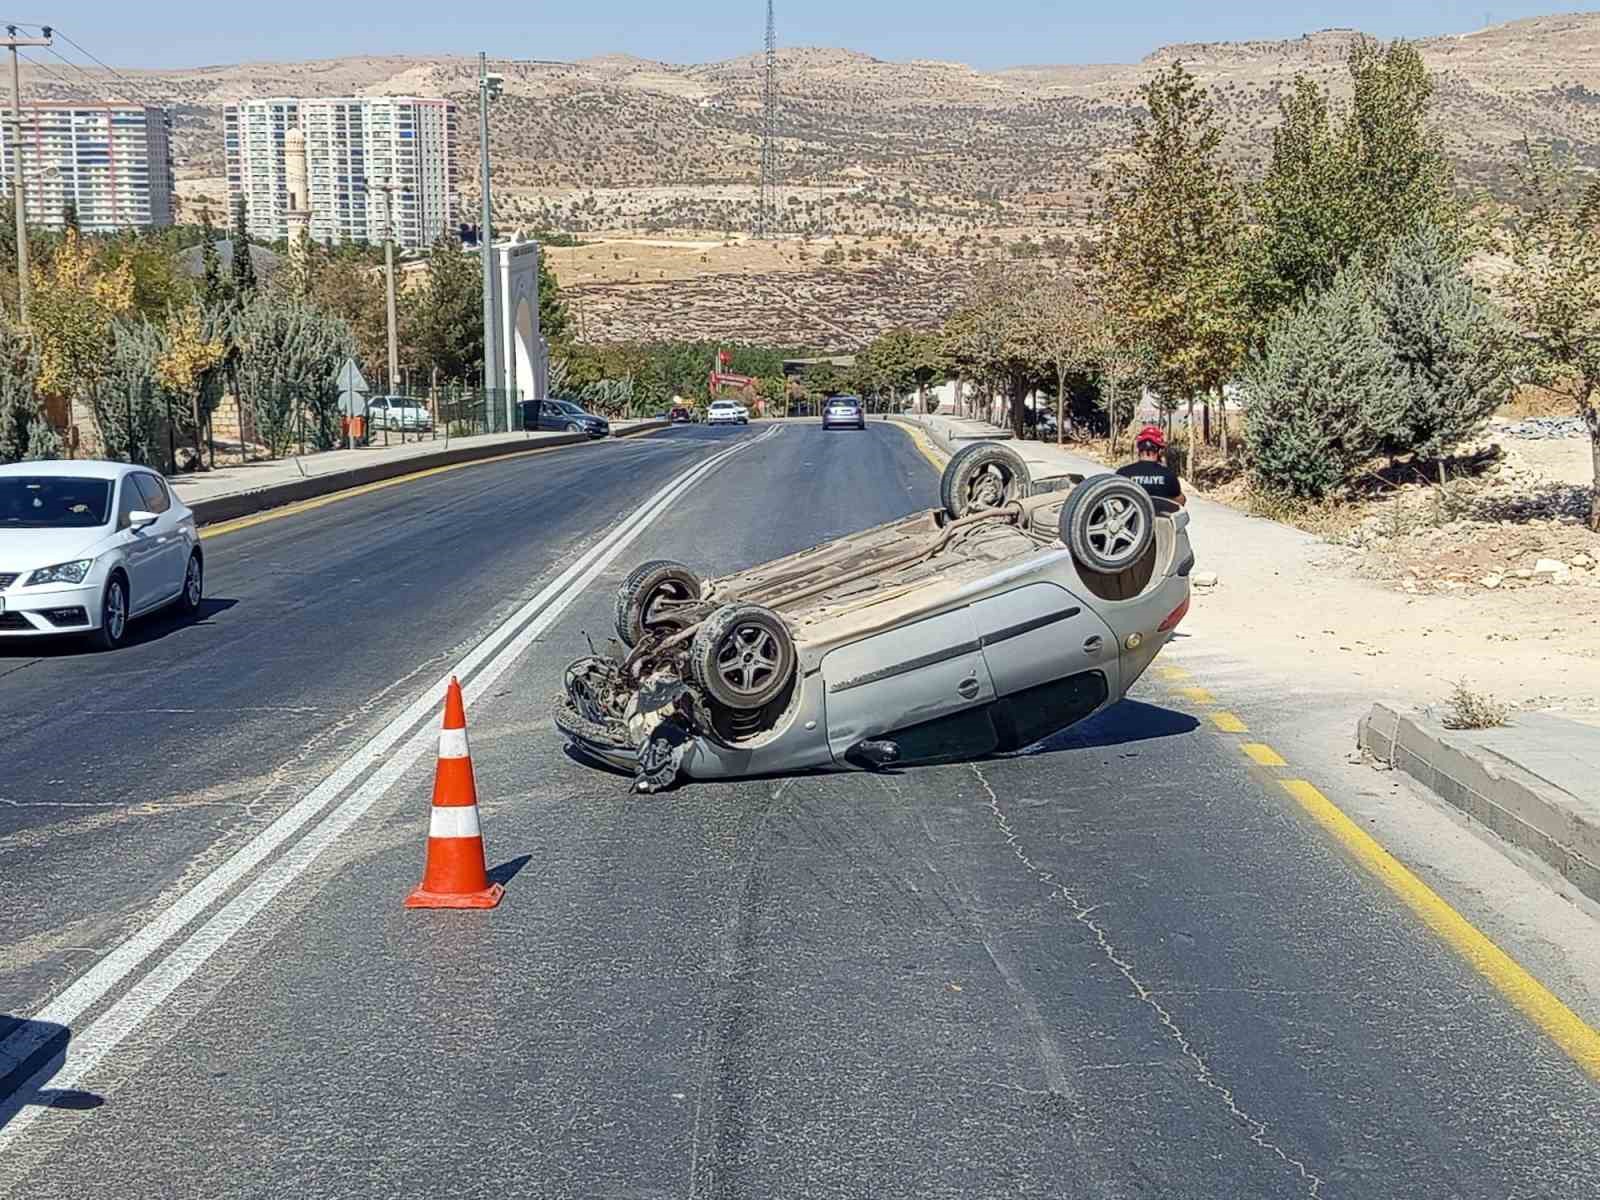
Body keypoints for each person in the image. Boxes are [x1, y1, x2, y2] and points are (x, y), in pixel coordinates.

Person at [1116, 425, 1186, 507]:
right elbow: (1180, 502)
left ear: (1139, 449)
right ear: (1159, 451)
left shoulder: (1122, 473)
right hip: (1159, 519)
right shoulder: (1169, 475)